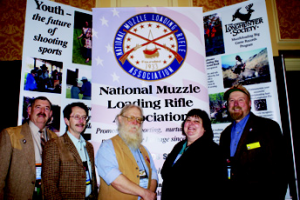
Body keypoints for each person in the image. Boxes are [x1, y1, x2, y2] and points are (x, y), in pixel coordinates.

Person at [220, 84, 288, 200]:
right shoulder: (225, 134)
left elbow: (281, 169)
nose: (236, 104)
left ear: (250, 103)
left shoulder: (268, 127)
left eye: (240, 100)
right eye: (232, 100)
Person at [96, 105, 158, 200]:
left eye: (139, 119)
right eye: (130, 118)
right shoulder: (107, 146)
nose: (135, 122)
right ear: (120, 119)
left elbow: (153, 175)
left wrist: (148, 195)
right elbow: (114, 179)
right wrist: (145, 193)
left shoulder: (144, 150)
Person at [0, 96, 57, 199]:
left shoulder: (55, 138)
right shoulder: (10, 135)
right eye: (38, 107)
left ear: (50, 114)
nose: (42, 111)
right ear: (29, 110)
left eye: (46, 108)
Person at [161, 108, 225, 200]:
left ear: (205, 128)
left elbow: (214, 186)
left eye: (196, 121)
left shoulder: (213, 150)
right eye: (188, 120)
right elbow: (166, 173)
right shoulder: (179, 146)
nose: (191, 124)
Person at [42, 102, 98, 199]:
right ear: (67, 121)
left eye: (84, 117)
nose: (81, 121)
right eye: (76, 117)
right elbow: (49, 186)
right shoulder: (54, 145)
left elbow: (92, 178)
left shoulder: (89, 147)